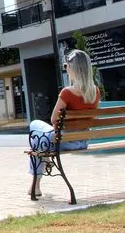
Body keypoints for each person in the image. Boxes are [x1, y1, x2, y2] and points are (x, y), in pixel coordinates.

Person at [27, 49, 101, 197]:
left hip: (65, 141)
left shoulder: (67, 92)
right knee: (41, 141)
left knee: (35, 128)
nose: (66, 68)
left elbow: (54, 119)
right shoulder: (95, 92)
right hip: (83, 141)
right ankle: (44, 158)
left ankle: (35, 186)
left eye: (67, 66)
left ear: (73, 68)